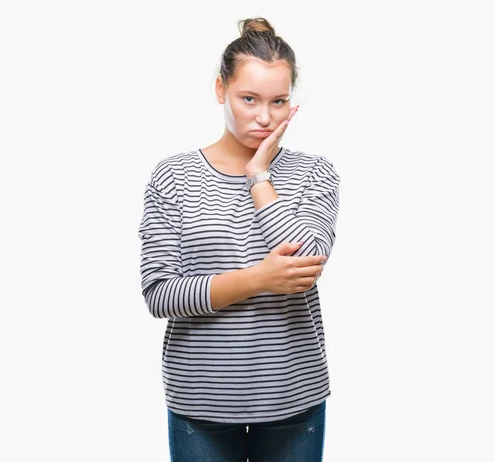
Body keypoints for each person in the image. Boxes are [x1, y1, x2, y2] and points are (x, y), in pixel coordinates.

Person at [138, 16, 340, 462]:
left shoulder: (314, 173)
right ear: (219, 91)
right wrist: (260, 278)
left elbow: (305, 268)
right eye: (248, 99)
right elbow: (159, 294)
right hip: (200, 401)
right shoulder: (175, 176)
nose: (264, 117)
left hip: (293, 395)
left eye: (278, 101)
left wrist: (259, 178)